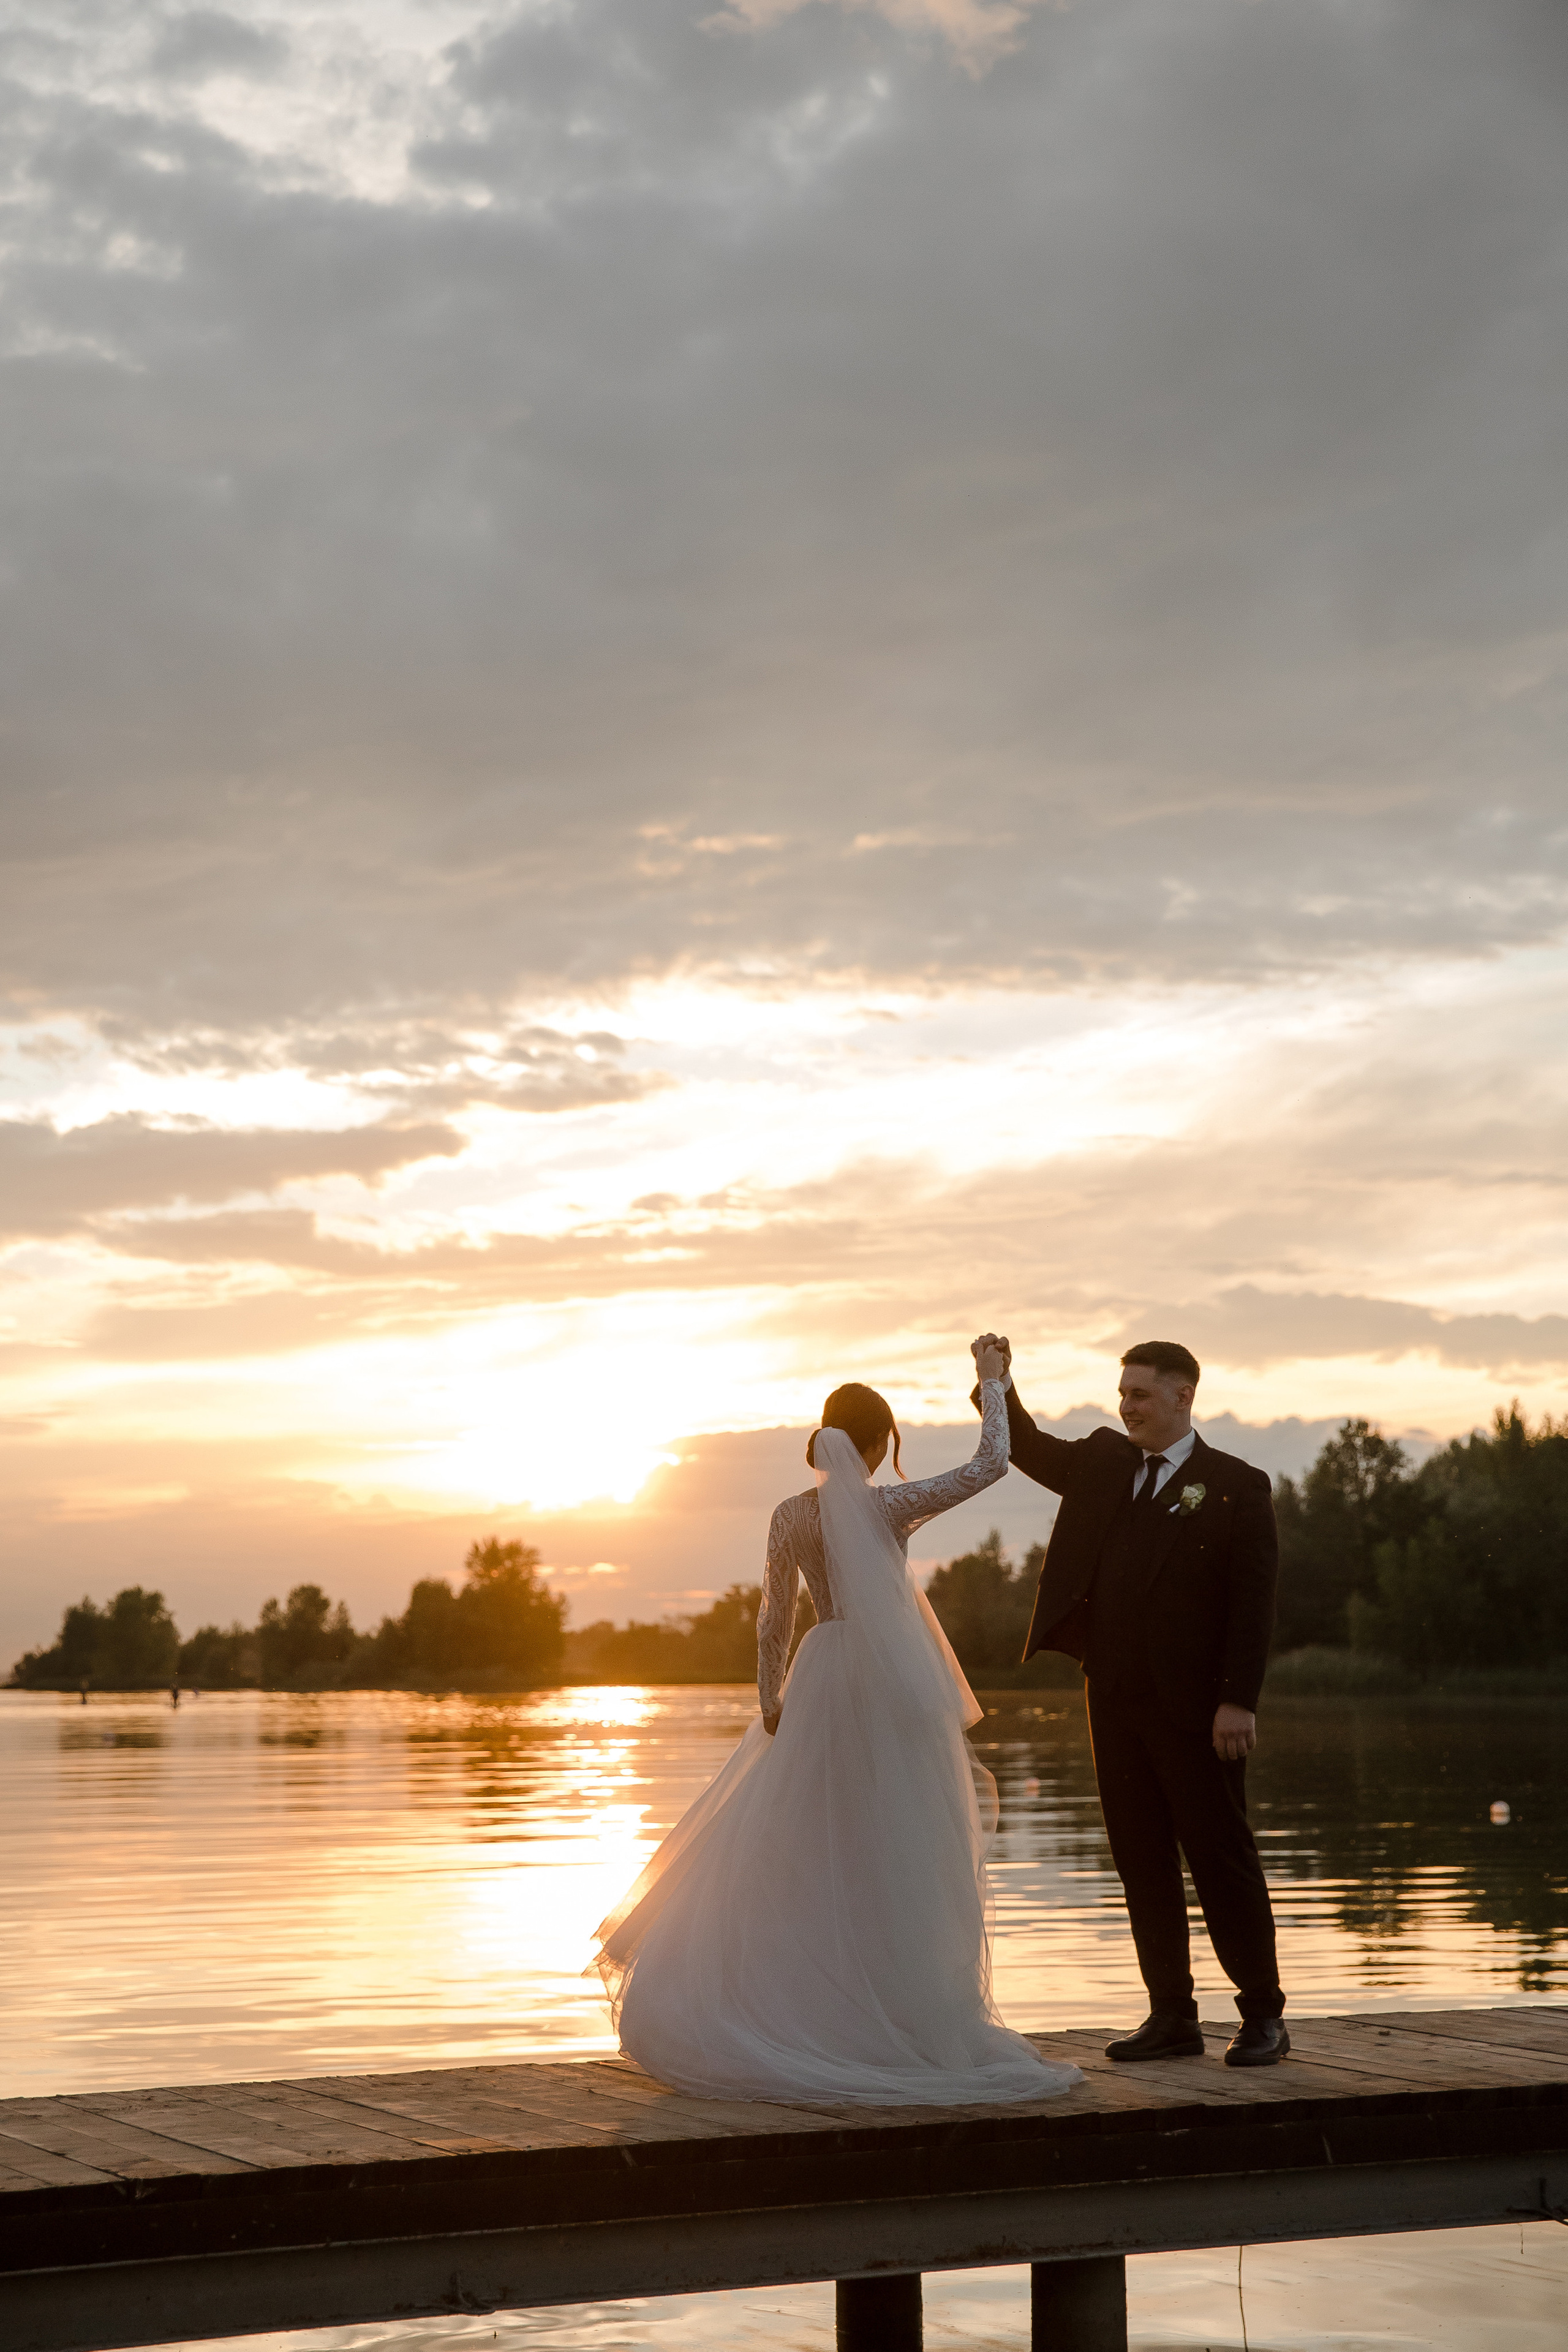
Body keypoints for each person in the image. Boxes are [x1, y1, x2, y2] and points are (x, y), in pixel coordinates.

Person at [592, 1348, 1082, 2107]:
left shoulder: (790, 1514)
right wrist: (992, 1381)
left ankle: (790, 2006)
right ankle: (898, 2008)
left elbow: (772, 1618)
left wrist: (770, 1701)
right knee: (896, 1845)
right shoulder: (890, 1506)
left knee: (804, 1846)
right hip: (892, 1682)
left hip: (819, 1676)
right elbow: (989, 1464)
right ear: (880, 1442)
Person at [974, 1334, 1287, 2068]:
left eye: (1140, 1395)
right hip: (1111, 1701)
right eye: (1123, 1396)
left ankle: (1263, 2015)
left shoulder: (1238, 1484)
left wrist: (1238, 1701)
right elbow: (1023, 1445)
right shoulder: (1101, 1463)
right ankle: (1171, 2016)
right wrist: (996, 1381)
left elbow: (1253, 1605)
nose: (1126, 1407)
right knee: (1140, 1860)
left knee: (1221, 1858)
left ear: (1183, 1396)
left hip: (1201, 1712)